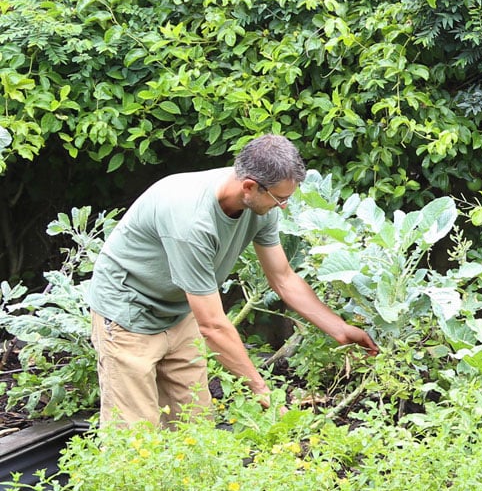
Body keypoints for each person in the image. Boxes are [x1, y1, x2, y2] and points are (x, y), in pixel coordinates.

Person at [87, 134, 378, 427]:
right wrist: (261, 389)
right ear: (250, 186)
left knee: (195, 425)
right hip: (128, 313)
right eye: (280, 198)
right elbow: (212, 325)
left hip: (178, 311)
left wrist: (339, 329)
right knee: (135, 436)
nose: (284, 206)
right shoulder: (191, 221)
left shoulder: (260, 205)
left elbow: (283, 278)